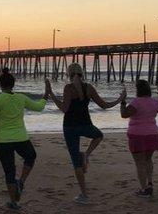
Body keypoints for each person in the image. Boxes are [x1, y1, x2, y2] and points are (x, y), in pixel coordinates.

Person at [46, 63, 126, 204]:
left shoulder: (68, 88)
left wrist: (51, 93)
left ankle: (84, 194)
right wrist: (120, 99)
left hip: (70, 127)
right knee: (99, 135)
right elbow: (104, 105)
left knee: (76, 163)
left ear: (68, 74)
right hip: (85, 124)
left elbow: (64, 109)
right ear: (82, 73)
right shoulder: (88, 87)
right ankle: (87, 154)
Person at [0, 68, 49, 211]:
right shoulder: (21, 98)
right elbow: (39, 107)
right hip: (21, 138)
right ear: (13, 84)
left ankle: (14, 202)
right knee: (31, 156)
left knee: (9, 171)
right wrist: (46, 94)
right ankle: (22, 181)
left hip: (2, 140)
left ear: (0, 84)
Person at [120, 79, 158, 197]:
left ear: (138, 90)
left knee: (139, 162)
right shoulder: (154, 102)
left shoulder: (136, 102)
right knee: (148, 159)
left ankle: (144, 189)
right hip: (153, 133)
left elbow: (124, 114)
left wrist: (122, 101)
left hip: (137, 134)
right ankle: (150, 183)